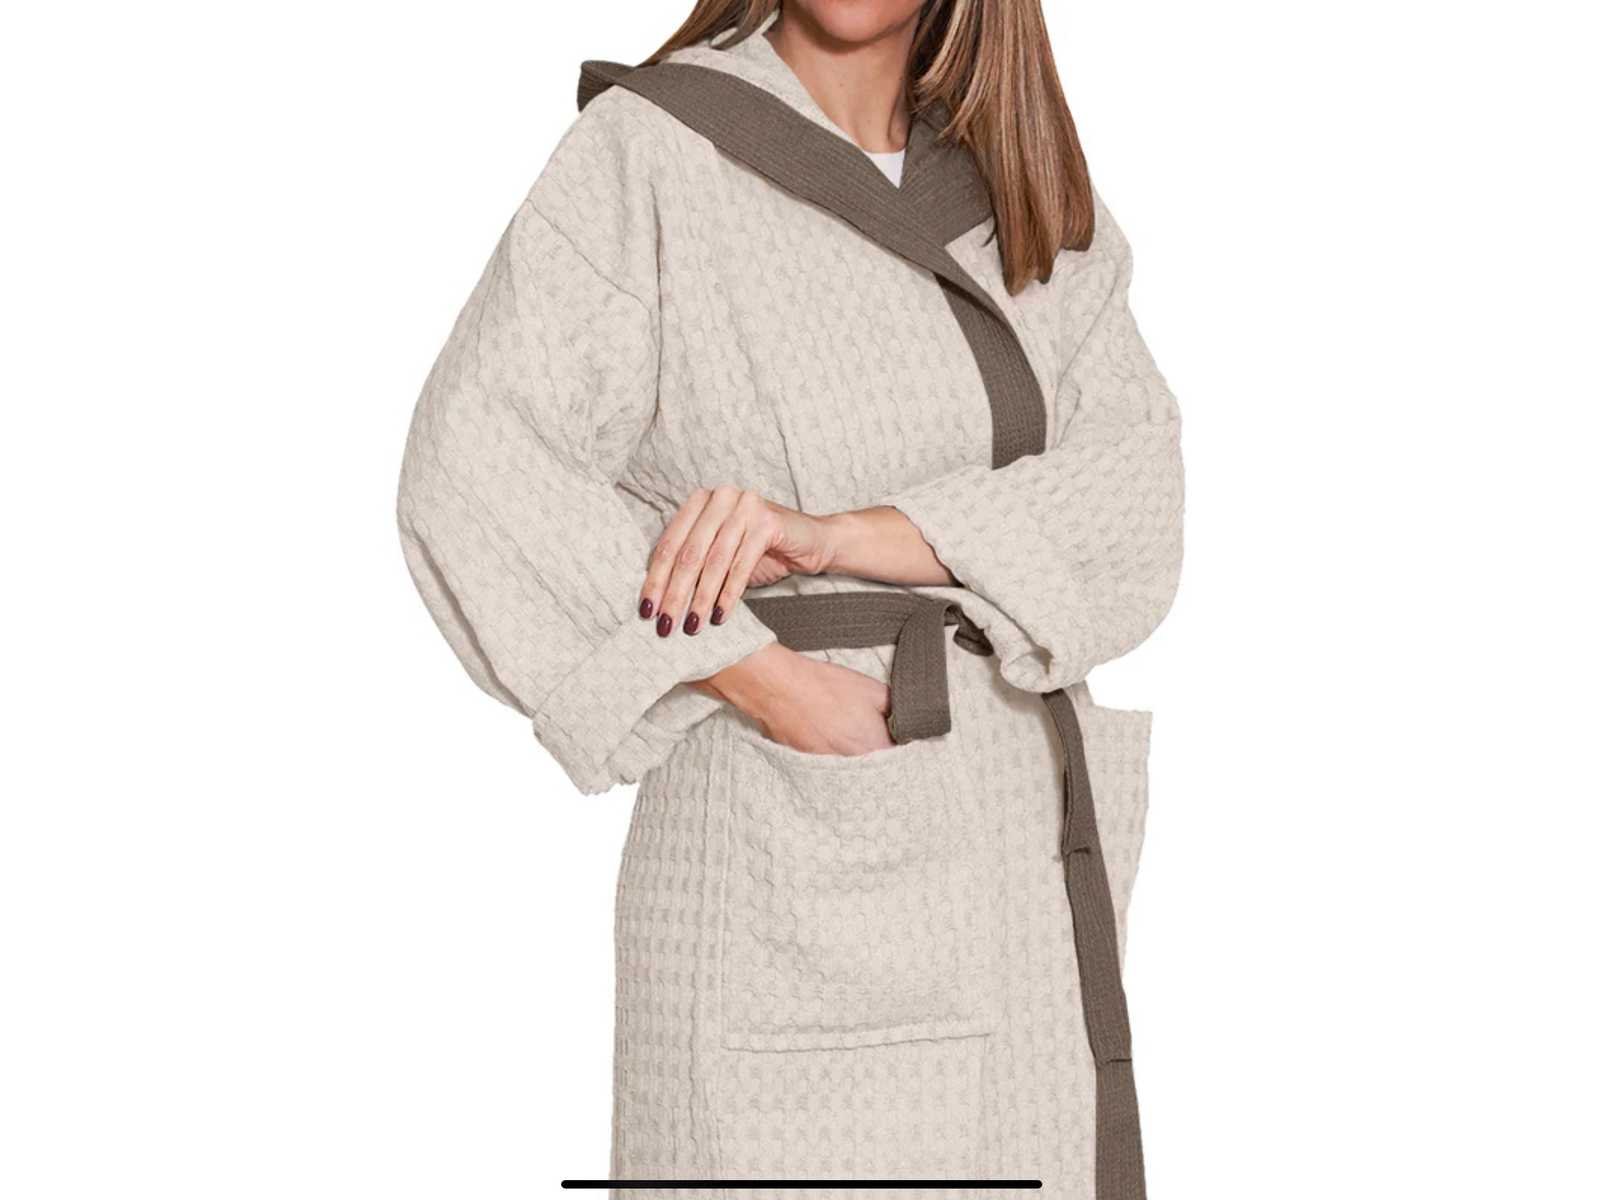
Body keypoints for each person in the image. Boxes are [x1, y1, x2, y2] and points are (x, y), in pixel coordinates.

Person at [396, 1, 1183, 1195]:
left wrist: (841, 535)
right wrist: (759, 678)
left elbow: (1135, 496)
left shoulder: (1023, 191)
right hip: (783, 838)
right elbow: (476, 462)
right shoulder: (654, 150)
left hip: (1010, 846)